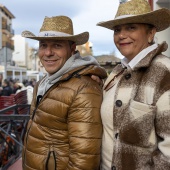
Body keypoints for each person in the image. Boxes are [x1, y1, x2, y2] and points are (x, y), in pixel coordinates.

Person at [21, 15, 107, 170]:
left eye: (56, 45)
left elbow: (84, 160)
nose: (47, 52)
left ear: (72, 48)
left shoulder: (84, 89)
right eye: (43, 45)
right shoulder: (44, 82)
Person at [96, 0, 170, 169]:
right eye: (117, 30)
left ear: (151, 33)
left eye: (131, 27)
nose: (121, 35)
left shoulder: (164, 72)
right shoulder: (116, 72)